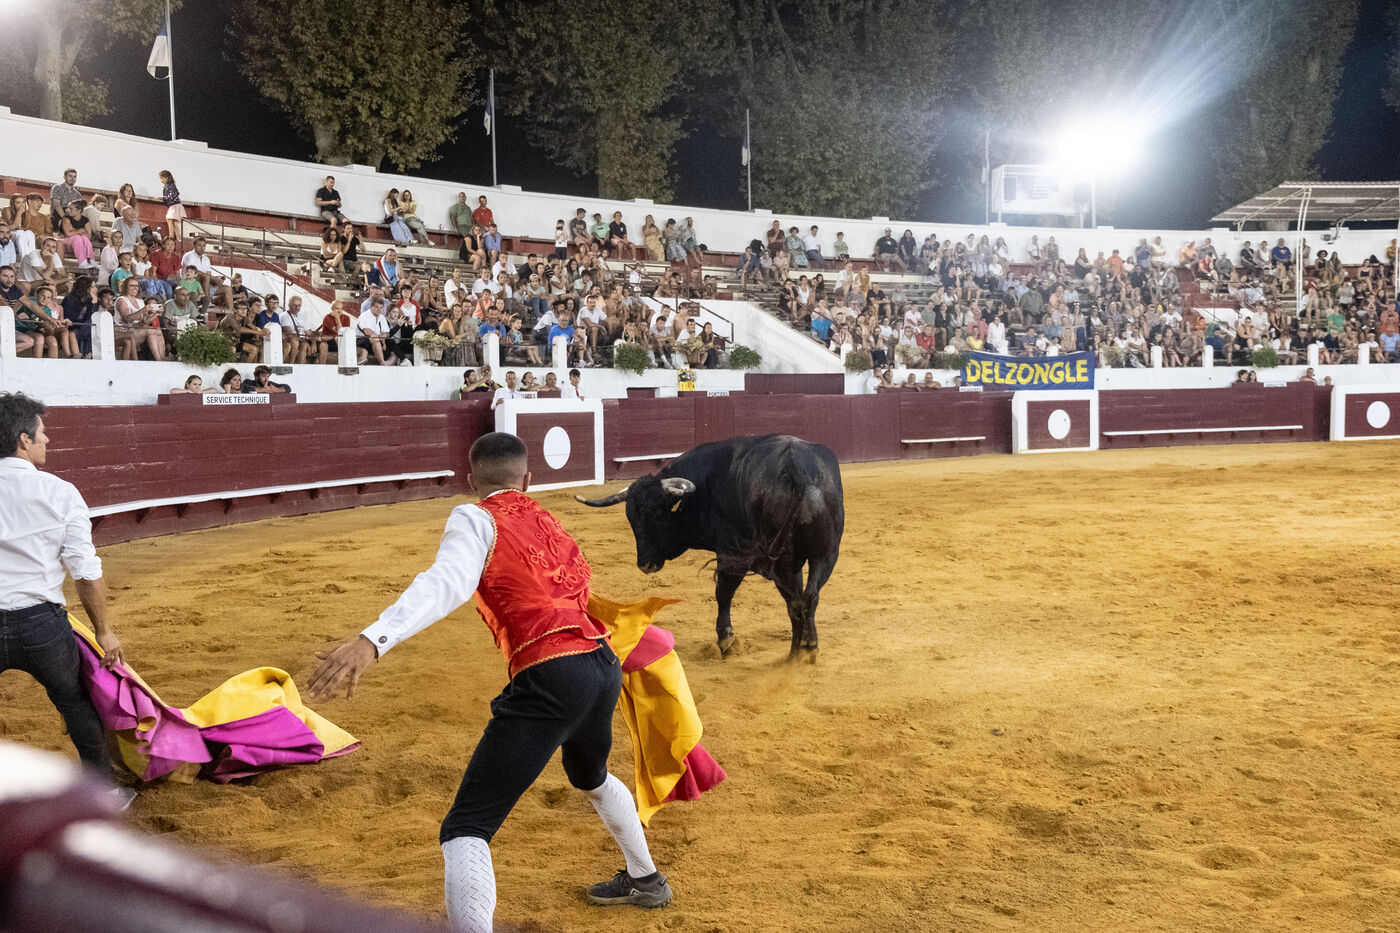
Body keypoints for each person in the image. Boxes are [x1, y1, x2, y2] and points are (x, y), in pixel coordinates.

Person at [308, 432, 672, 933]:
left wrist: (373, 639)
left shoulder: (475, 517)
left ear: (469, 478)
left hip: (552, 675)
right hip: (601, 663)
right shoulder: (546, 518)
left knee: (467, 828)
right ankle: (646, 879)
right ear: (528, 480)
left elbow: (447, 581)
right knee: (589, 775)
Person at [0, 393, 135, 808]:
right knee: (76, 703)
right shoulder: (59, 492)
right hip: (42, 626)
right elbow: (85, 572)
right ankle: (104, 794)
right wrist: (103, 631)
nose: (48, 439)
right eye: (42, 433)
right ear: (23, 439)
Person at [158, 170, 184, 245]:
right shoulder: (166, 187)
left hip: (175, 205)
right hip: (172, 206)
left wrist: (162, 198)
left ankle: (171, 237)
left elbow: (171, 196)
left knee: (171, 220)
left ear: (167, 178)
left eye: (162, 178)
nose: (161, 180)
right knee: (174, 222)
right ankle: (178, 238)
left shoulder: (172, 186)